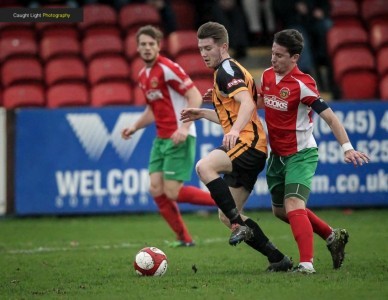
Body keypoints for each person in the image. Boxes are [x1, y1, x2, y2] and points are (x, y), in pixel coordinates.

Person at [180, 21, 292, 272]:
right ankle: (277, 258)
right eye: (200, 49)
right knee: (226, 213)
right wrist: (202, 113)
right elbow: (233, 112)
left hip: (249, 143)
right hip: (252, 147)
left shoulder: (226, 70)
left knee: (204, 166)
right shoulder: (229, 70)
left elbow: (248, 105)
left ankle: (236, 224)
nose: (203, 54)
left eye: (208, 48)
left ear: (224, 47)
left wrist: (233, 130)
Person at [257, 28, 370, 273]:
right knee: (280, 211)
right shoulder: (266, 76)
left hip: (301, 154)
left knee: (294, 205)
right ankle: (332, 236)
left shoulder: (303, 84)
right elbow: (259, 101)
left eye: (279, 55)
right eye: (272, 53)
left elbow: (330, 118)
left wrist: (347, 148)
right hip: (276, 155)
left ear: (294, 58)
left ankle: (306, 264)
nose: (273, 59)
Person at [121, 25, 216, 248]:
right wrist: (134, 127)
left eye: (151, 44)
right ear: (137, 47)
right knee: (155, 188)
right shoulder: (143, 75)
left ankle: (226, 202)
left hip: (179, 135)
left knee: (172, 191)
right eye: (143, 44)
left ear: (158, 46)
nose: (146, 48)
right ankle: (184, 238)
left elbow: (194, 96)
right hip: (161, 138)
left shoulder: (167, 68)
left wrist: (184, 128)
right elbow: (152, 109)